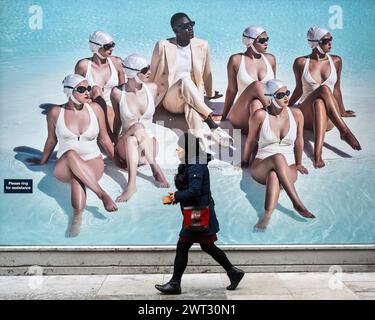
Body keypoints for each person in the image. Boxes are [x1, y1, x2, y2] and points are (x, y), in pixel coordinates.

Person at [27, 74, 118, 237]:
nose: (87, 92)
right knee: (70, 155)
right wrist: (42, 160)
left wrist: (117, 160)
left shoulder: (96, 109)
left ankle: (77, 218)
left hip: (93, 162)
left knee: (78, 179)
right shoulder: (55, 112)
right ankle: (101, 194)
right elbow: (51, 140)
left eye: (88, 88)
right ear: (69, 91)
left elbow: (104, 138)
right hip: (65, 164)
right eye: (82, 89)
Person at [155, 133, 245, 294]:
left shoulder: (196, 165)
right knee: (207, 245)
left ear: (188, 148)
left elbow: (194, 191)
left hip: (197, 213)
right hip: (197, 212)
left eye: (180, 146)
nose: (177, 149)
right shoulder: (192, 163)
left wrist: (175, 197)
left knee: (182, 245)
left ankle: (175, 283)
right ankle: (233, 272)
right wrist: (175, 197)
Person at [149, 12, 233, 147]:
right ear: (175, 30)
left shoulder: (202, 45)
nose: (191, 29)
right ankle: (212, 124)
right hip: (171, 99)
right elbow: (152, 74)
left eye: (192, 24)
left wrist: (210, 95)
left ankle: (200, 144)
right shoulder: (163, 46)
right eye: (186, 26)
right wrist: (147, 101)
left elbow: (207, 73)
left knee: (192, 108)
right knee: (185, 81)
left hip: (192, 97)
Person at [242, 79, 315, 230]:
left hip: (289, 168)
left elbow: (299, 141)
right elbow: (250, 141)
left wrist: (299, 163)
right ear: (270, 97)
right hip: (261, 164)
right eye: (280, 95)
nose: (286, 97)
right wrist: (244, 162)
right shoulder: (260, 115)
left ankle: (266, 216)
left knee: (274, 175)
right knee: (278, 158)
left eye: (287, 93)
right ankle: (297, 203)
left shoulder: (296, 114)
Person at [289, 27, 361, 168]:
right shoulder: (301, 63)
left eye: (330, 39)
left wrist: (343, 111)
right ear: (315, 43)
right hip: (306, 115)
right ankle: (344, 131)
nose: (330, 43)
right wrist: (285, 107)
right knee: (323, 89)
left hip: (328, 119)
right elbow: (298, 90)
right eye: (326, 40)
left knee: (319, 102)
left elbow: (337, 89)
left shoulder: (336, 61)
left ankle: (317, 154)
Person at [111, 54, 170, 202]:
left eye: (149, 68)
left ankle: (132, 186)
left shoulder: (152, 88)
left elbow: (152, 115)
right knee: (134, 131)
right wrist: (114, 142)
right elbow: (118, 119)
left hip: (148, 147)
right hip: (125, 146)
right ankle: (152, 170)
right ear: (132, 73)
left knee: (135, 136)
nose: (149, 72)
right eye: (144, 70)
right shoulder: (117, 93)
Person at [221, 26, 276, 133]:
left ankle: (257, 142)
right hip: (241, 116)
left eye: (267, 39)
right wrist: (223, 117)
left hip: (261, 114)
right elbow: (232, 90)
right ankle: (278, 116)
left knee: (255, 103)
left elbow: (274, 89)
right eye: (262, 40)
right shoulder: (236, 60)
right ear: (250, 42)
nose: (266, 43)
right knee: (257, 85)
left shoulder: (271, 59)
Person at [75, 30, 125, 138]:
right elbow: (76, 94)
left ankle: (110, 134)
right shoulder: (83, 66)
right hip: (93, 107)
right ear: (96, 47)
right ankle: (107, 134)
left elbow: (124, 90)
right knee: (96, 89)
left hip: (114, 105)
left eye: (113, 45)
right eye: (107, 46)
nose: (112, 48)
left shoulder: (117, 62)